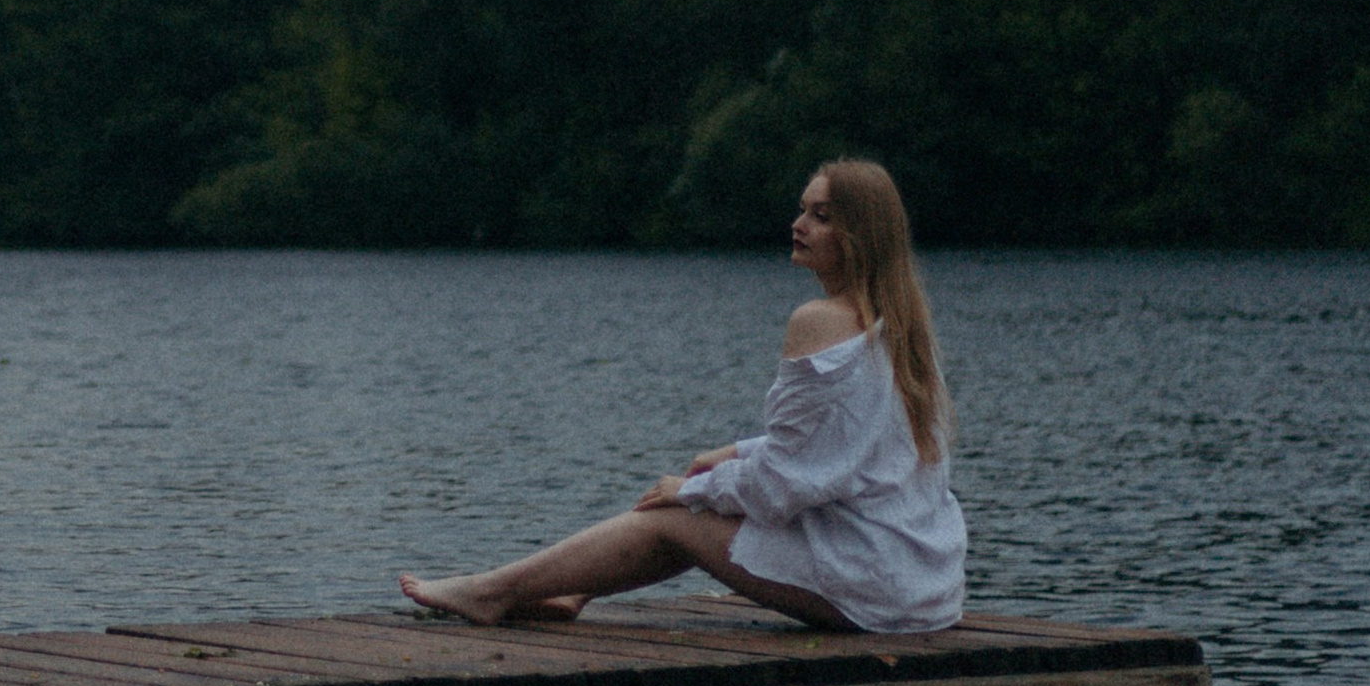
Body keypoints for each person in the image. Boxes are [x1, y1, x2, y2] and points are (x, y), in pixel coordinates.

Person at [397, 157, 967, 636]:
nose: (800, 224)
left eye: (821, 217)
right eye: (803, 209)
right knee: (694, 502)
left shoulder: (818, 321)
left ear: (859, 236)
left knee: (672, 513)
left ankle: (489, 591)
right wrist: (735, 453)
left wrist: (695, 487)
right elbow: (846, 446)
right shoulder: (904, 326)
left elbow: (781, 488)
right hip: (926, 586)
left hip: (873, 591)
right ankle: (568, 593)